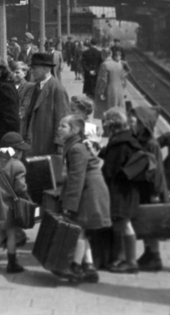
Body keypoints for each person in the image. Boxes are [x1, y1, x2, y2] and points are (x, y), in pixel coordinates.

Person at [56, 114, 111, 283]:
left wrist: (69, 205)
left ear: (75, 129)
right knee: (83, 229)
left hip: (89, 192)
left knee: (77, 228)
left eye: (63, 126)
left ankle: (75, 268)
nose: (59, 128)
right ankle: (89, 267)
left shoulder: (76, 149)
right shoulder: (74, 145)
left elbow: (76, 178)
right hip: (89, 190)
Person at [99, 107, 144, 273]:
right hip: (128, 189)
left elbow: (110, 169)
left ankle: (131, 261)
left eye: (105, 122)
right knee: (121, 223)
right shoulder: (127, 138)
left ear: (112, 123)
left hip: (121, 190)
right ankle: (122, 257)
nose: (103, 125)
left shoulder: (119, 142)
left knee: (124, 224)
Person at [0, 132, 31, 274]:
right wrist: (27, 198)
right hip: (10, 205)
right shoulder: (17, 165)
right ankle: (11, 263)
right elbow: (20, 188)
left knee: (4, 230)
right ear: (16, 151)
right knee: (12, 233)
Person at [130, 104, 168, 272]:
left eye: (134, 122)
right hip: (145, 187)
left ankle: (154, 256)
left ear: (143, 124)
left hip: (153, 189)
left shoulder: (151, 144)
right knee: (145, 221)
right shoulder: (142, 140)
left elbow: (157, 171)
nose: (131, 124)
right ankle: (148, 252)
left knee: (152, 224)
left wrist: (155, 193)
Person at [21, 52, 71, 157]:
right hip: (33, 141)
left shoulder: (57, 89)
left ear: (46, 69)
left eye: (34, 68)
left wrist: (60, 143)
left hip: (47, 144)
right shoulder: (34, 87)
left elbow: (63, 118)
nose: (32, 71)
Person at [95, 47, 125, 119]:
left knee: (107, 114)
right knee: (117, 113)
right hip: (119, 92)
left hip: (108, 92)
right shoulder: (119, 65)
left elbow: (102, 80)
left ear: (102, 55)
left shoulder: (104, 65)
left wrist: (101, 92)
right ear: (111, 54)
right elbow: (122, 80)